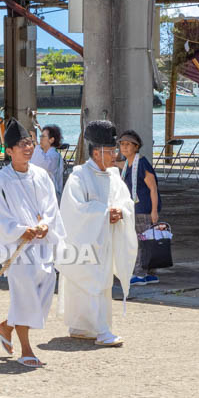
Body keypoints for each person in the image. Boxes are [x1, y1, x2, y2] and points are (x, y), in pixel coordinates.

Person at [0, 119, 66, 368]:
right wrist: (20, 230)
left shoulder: (41, 175)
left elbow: (50, 206)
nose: (28, 148)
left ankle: (5, 326)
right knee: (24, 296)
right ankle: (26, 350)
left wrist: (46, 224)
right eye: (21, 145)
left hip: (42, 244)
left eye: (29, 143)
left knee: (44, 289)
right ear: (9, 151)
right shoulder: (1, 180)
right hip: (18, 247)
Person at [56, 120, 136, 347]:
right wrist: (104, 213)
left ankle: (87, 327)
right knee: (89, 282)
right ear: (97, 152)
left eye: (114, 151)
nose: (115, 156)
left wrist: (121, 212)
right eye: (111, 151)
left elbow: (126, 202)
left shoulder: (113, 176)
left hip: (105, 240)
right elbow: (73, 210)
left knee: (102, 284)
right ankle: (100, 331)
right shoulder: (79, 177)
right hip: (85, 242)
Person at [117, 129, 163, 286]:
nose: (124, 147)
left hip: (144, 209)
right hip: (136, 209)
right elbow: (122, 165)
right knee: (147, 241)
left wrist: (154, 211)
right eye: (122, 144)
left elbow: (153, 188)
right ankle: (151, 274)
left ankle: (139, 273)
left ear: (136, 147)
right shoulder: (129, 163)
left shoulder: (142, 163)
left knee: (140, 242)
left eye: (128, 144)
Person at [31, 124, 64, 195]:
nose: (40, 138)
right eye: (40, 136)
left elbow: (40, 164)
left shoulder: (55, 155)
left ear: (51, 140)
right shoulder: (46, 154)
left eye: (43, 136)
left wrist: (35, 142)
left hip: (51, 194)